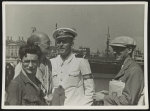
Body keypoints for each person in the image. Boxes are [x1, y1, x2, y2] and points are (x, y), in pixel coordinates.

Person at [92, 36, 144, 105]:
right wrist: (108, 93)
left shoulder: (134, 70)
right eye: (114, 49)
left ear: (129, 50)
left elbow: (127, 101)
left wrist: (104, 97)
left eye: (119, 49)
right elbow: (123, 92)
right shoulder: (125, 67)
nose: (114, 52)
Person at [50, 27, 95, 105]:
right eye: (58, 42)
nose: (61, 45)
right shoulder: (51, 62)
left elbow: (90, 90)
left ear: (72, 43)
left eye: (64, 42)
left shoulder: (81, 61)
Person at [13, 32, 52, 104]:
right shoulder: (22, 66)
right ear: (37, 44)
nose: (50, 45)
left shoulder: (48, 63)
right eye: (47, 43)